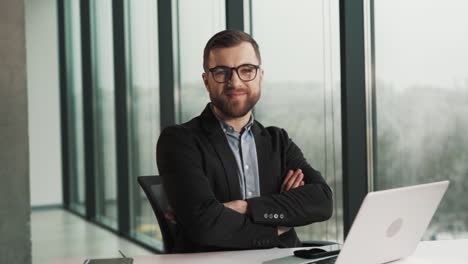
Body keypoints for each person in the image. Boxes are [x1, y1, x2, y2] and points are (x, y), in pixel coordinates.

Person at [156, 29, 332, 253]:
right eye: (222, 72)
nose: (234, 82)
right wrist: (280, 224)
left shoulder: (277, 141)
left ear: (260, 76)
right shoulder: (179, 141)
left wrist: (247, 207)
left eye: (246, 70)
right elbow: (204, 224)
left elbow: (321, 201)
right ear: (207, 80)